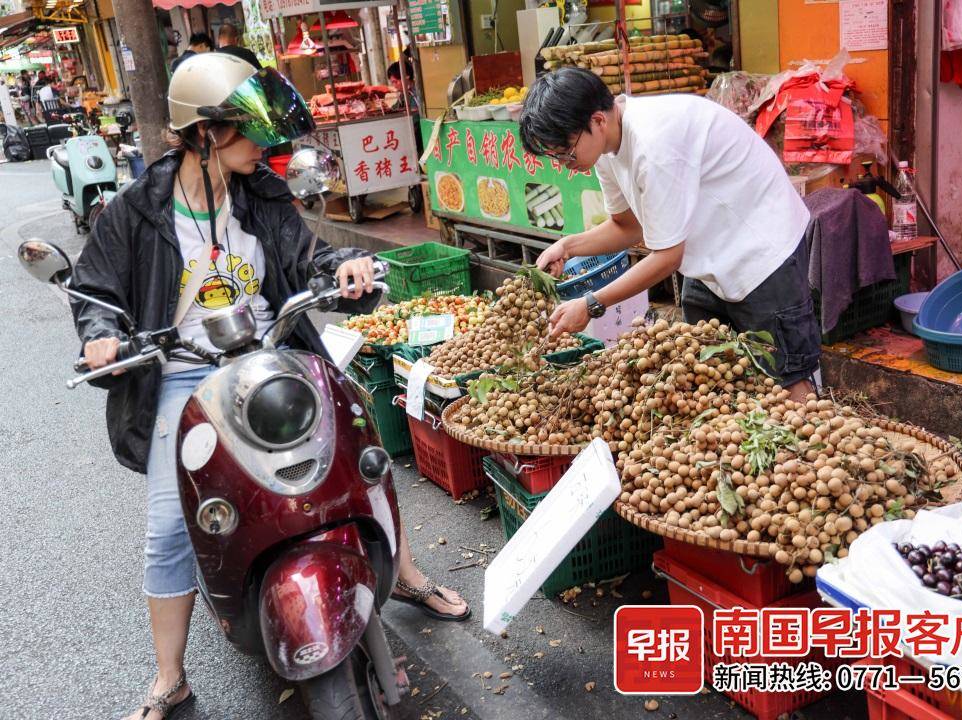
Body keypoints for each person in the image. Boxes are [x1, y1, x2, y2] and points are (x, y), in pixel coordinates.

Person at [69, 53, 469, 720]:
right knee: (170, 522)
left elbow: (307, 257)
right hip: (185, 370)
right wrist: (102, 336)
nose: (261, 144)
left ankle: (403, 574)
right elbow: (94, 291)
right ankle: (169, 676)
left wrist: (348, 267)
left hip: (275, 350)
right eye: (247, 130)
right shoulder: (138, 209)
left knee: (360, 457)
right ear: (204, 133)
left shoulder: (261, 192)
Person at [523, 67, 820, 402]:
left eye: (565, 152)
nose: (563, 163)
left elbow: (666, 258)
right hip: (708, 251)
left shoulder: (653, 144)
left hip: (763, 250)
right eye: (555, 156)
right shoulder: (605, 149)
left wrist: (592, 304)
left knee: (785, 379)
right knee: (711, 373)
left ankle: (809, 423)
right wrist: (568, 247)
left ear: (598, 120)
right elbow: (628, 226)